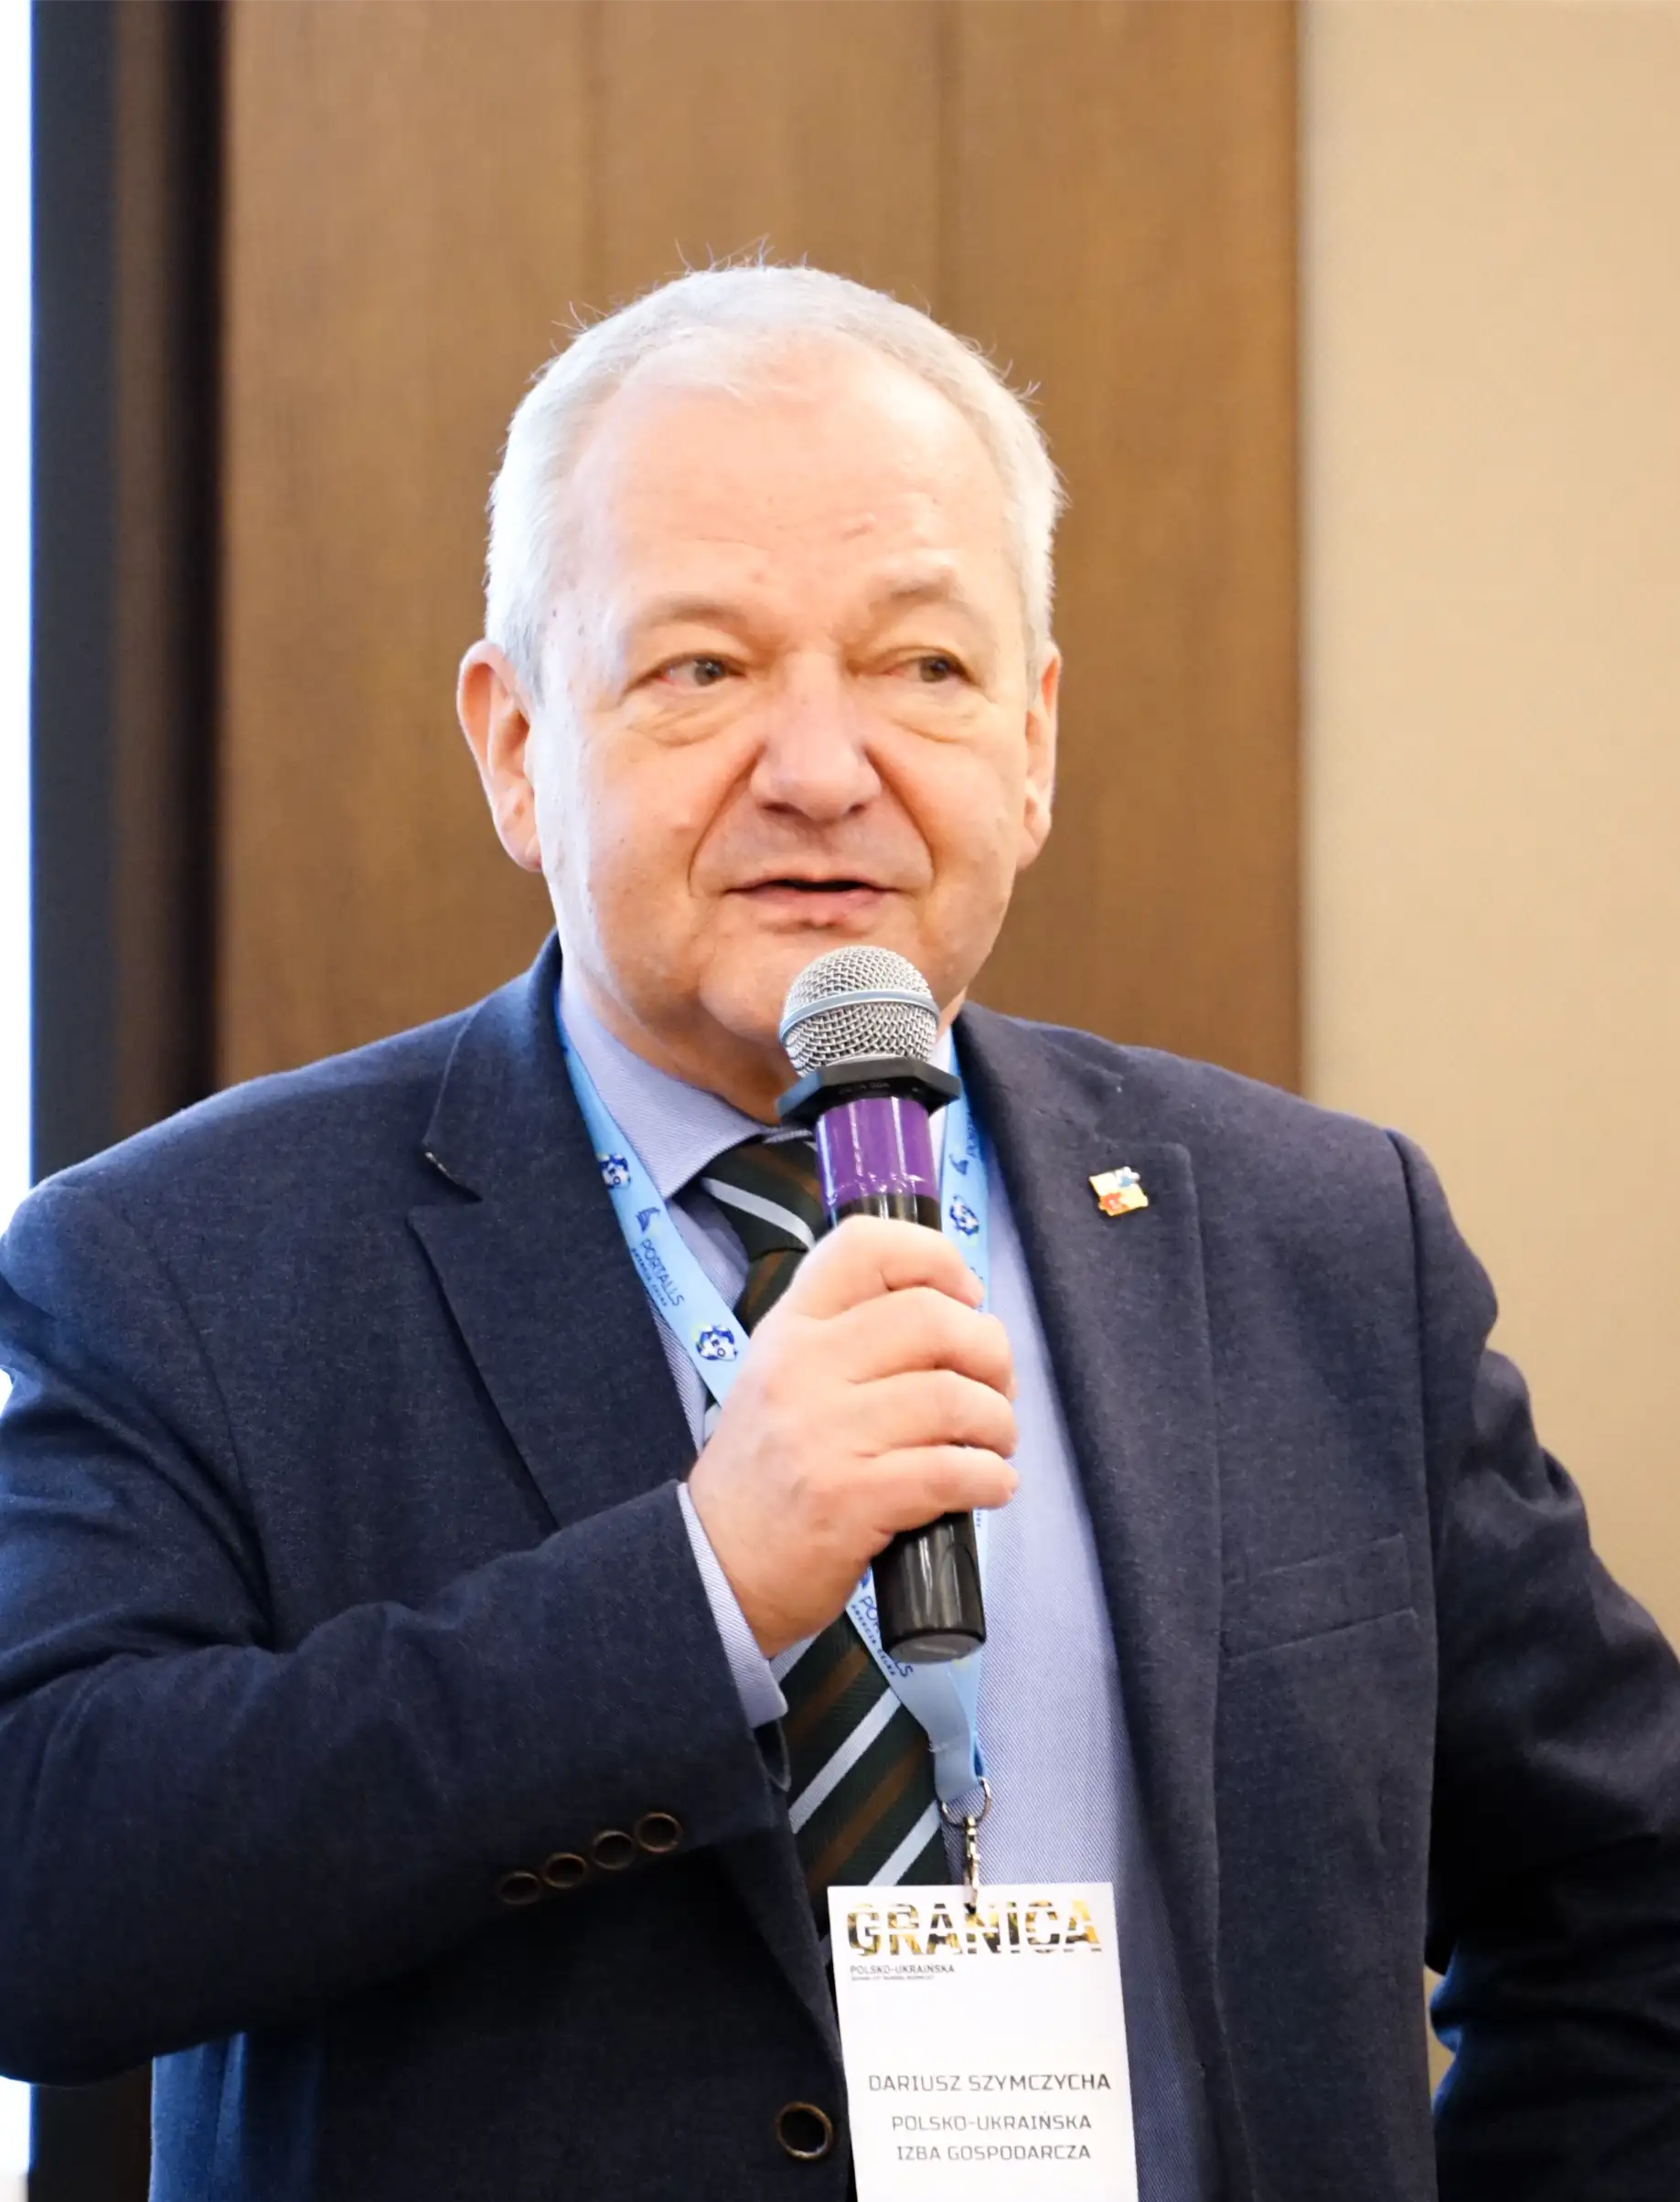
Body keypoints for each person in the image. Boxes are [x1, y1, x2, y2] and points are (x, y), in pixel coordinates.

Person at [1, 265, 1676, 2202]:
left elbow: (1625, 1902)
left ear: (1032, 740)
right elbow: (40, 1897)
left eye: (924, 668)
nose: (821, 767)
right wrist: (701, 1588)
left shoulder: (1319, 1240)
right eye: (703, 670)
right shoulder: (186, 1263)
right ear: (518, 744)